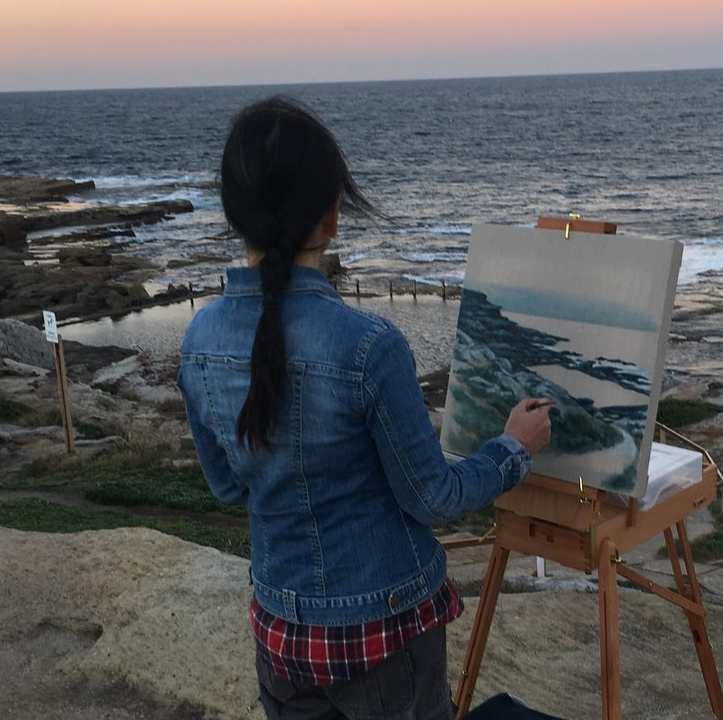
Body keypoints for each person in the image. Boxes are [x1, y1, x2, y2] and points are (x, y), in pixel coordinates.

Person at [178, 96, 554, 720]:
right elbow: (431, 498)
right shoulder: (367, 346)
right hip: (381, 631)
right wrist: (512, 448)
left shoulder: (199, 340)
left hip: (279, 629)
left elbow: (225, 484)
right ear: (332, 218)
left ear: (233, 213)